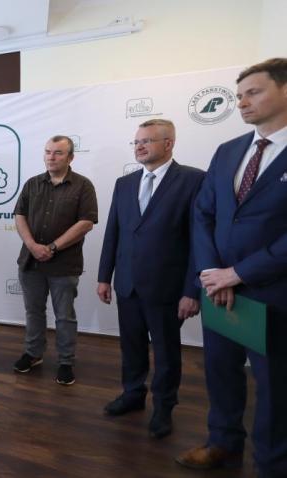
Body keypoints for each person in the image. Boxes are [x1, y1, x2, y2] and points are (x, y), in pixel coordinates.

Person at [176, 58, 287, 477]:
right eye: (239, 95)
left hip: (273, 294)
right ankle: (223, 441)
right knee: (220, 372)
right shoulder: (228, 151)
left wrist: (239, 273)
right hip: (220, 289)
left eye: (253, 92)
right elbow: (203, 214)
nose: (242, 102)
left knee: (275, 387)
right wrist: (211, 273)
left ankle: (272, 464)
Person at [96, 119, 204, 439]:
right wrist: (104, 277)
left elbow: (199, 240)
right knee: (131, 347)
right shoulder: (124, 183)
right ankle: (132, 395)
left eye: (147, 141)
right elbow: (113, 233)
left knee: (167, 352)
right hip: (127, 284)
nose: (139, 146)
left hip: (168, 288)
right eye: (136, 142)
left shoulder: (194, 180)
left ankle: (164, 406)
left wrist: (192, 290)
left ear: (169, 143)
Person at [12, 135, 98, 385]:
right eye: (48, 151)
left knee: (64, 316)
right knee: (34, 311)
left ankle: (66, 361)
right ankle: (33, 353)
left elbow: (86, 223)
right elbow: (20, 215)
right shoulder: (32, 184)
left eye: (58, 153)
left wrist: (51, 247)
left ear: (71, 157)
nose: (51, 156)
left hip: (64, 264)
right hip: (31, 261)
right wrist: (32, 245)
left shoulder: (83, 186)